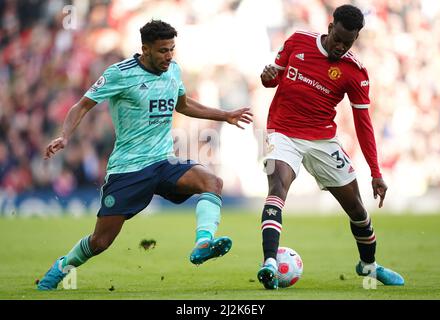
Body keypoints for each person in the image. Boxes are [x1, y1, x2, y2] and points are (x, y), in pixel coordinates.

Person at [37, 20, 253, 290]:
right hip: (129, 170)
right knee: (100, 242)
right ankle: (61, 267)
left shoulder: (174, 70)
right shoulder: (120, 74)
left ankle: (203, 243)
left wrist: (225, 115)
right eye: (163, 50)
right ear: (145, 49)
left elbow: (183, 105)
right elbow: (81, 106)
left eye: (172, 49)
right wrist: (65, 136)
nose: (169, 56)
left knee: (213, 182)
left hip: (163, 161)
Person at [257, 4, 404, 289]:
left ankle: (369, 266)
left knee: (358, 211)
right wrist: (267, 78)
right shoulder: (297, 41)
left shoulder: (355, 71)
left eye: (348, 43)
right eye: (337, 39)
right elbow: (273, 77)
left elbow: (364, 125)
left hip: (323, 141)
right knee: (277, 187)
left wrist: (376, 172)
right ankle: (270, 264)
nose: (340, 46)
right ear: (329, 27)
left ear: (356, 39)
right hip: (283, 133)